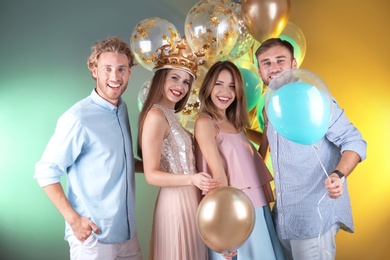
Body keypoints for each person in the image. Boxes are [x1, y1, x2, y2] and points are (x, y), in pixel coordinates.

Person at [255, 38, 367, 259]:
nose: (274, 67)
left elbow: (354, 141)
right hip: (285, 215)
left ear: (294, 64)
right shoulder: (270, 106)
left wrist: (338, 175)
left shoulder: (315, 99)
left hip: (314, 213)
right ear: (259, 71)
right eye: (266, 63)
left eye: (280, 60)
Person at [34, 36, 142, 260]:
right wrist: (74, 221)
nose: (115, 77)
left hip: (128, 236)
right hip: (94, 237)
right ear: (94, 70)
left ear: (130, 72)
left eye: (121, 69)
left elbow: (118, 161)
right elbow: (45, 172)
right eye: (107, 69)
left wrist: (163, 166)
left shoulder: (121, 109)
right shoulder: (78, 118)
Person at [137, 39, 220, 260]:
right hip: (175, 203)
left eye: (186, 82)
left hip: (191, 199)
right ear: (161, 78)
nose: (180, 87)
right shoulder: (156, 115)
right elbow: (151, 175)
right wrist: (192, 179)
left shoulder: (170, 116)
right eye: (175, 77)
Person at [195, 60, 285, 260]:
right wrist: (225, 232)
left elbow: (254, 166)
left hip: (256, 207)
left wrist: (267, 128)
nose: (225, 91)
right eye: (219, 83)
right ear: (209, 86)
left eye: (232, 86)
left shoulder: (234, 124)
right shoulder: (205, 122)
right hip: (233, 213)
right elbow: (219, 177)